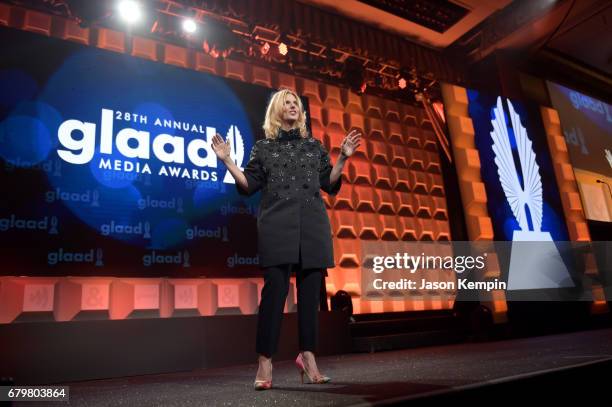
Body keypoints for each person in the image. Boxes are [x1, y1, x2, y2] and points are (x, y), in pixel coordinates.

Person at [212, 89, 361, 390]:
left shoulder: (314, 146)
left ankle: (308, 358)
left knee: (310, 299)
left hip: (313, 226)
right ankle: (265, 361)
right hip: (277, 226)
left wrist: (342, 159)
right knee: (274, 297)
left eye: (296, 104)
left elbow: (328, 184)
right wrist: (228, 161)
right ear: (277, 111)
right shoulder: (263, 149)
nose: (294, 106)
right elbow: (248, 185)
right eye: (288, 103)